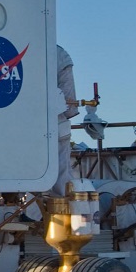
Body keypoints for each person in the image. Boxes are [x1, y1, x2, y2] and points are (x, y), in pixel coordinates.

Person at [53, 45, 80, 196]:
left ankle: (30, 212)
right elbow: (70, 105)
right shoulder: (60, 54)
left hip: (26, 126)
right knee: (61, 177)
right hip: (57, 127)